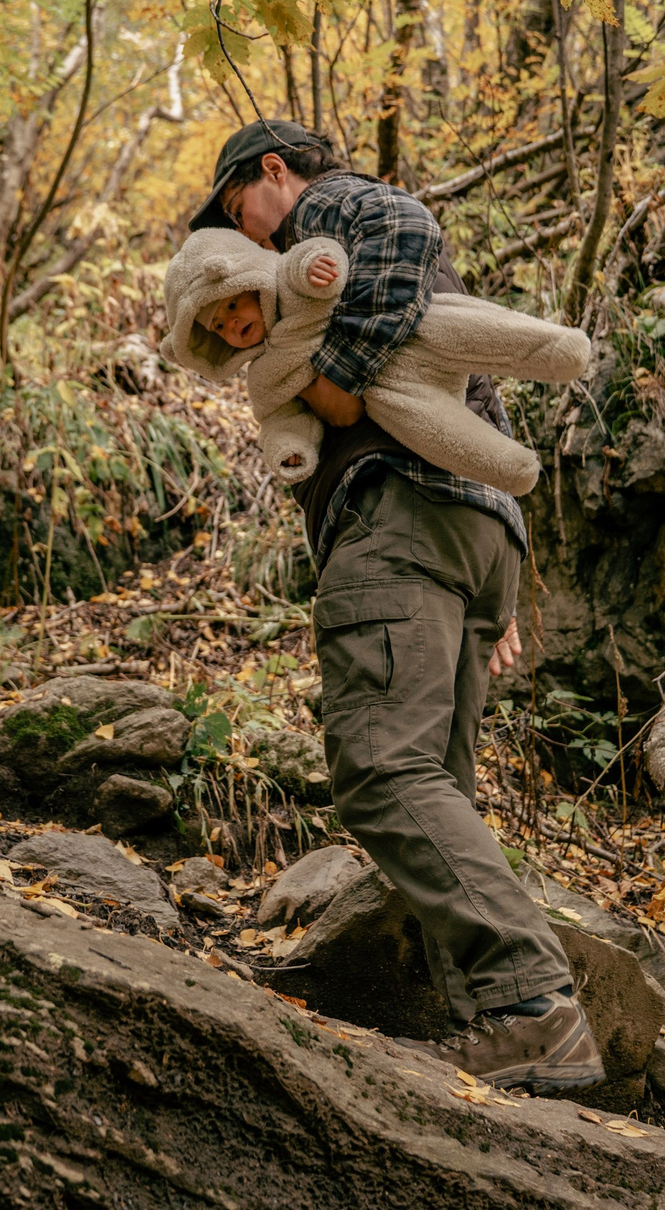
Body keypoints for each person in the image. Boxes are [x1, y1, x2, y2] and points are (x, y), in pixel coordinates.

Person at [185, 119, 604, 1093]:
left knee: (380, 771)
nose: (242, 235)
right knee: (434, 786)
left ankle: (530, 1003)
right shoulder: (324, 286)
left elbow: (405, 224)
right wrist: (489, 575)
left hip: (401, 516)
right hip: (468, 529)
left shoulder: (324, 212)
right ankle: (506, 1032)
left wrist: (334, 380)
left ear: (272, 174)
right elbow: (474, 403)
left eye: (234, 209)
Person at [159, 225, 591, 492]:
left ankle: (560, 349)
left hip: (408, 331)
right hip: (388, 391)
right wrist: (291, 449)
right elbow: (280, 419)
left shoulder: (287, 285)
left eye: (232, 306)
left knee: (465, 326)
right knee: (428, 425)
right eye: (218, 327)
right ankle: (512, 469)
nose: (232, 325)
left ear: (250, 281)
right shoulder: (266, 376)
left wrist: (319, 265)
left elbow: (309, 256)